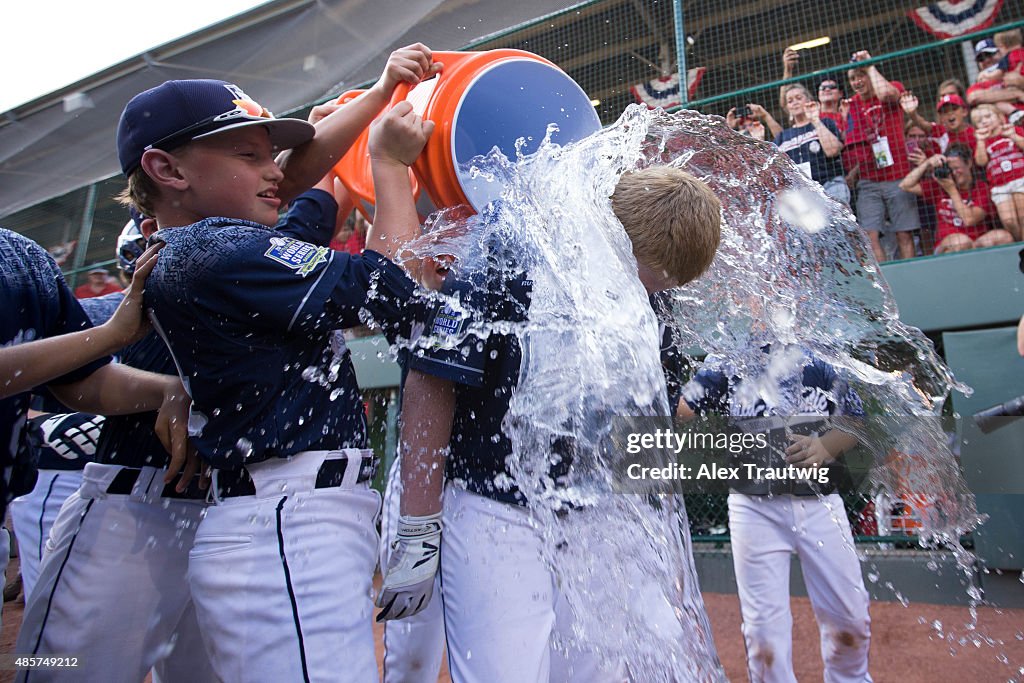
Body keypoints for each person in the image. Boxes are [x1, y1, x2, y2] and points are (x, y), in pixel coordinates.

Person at [127, 46, 438, 683]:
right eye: (249, 155)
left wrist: (376, 95)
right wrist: (384, 161)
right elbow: (400, 292)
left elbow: (312, 197)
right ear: (165, 169)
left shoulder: (219, 242)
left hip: (289, 515)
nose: (274, 171)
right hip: (284, 521)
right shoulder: (215, 248)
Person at [378, 166, 722, 682]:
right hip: (489, 502)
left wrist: (649, 536)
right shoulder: (512, 247)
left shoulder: (654, 293)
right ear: (616, 239)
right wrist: (419, 531)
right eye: (646, 278)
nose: (650, 293)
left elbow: (647, 421)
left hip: (592, 512)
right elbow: (431, 382)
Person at [678, 343, 873, 683]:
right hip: (754, 507)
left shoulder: (820, 356)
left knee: (851, 622)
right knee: (763, 638)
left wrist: (826, 446)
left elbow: (855, 421)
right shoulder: (729, 357)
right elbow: (682, 410)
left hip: (819, 502)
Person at [843, 50, 920, 261]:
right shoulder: (852, 105)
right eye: (852, 78)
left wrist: (869, 65)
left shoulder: (890, 86)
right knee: (870, 235)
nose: (857, 81)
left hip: (899, 174)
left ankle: (910, 274)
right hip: (869, 179)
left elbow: (887, 95)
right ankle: (888, 284)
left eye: (861, 75)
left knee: (904, 233)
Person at [899, 144, 1014, 253]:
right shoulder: (940, 185)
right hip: (948, 246)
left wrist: (952, 190)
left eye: (957, 168)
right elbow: (905, 185)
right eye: (950, 169)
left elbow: (969, 219)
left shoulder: (981, 188)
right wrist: (927, 163)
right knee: (961, 242)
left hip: (977, 244)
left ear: (968, 163)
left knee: (1004, 237)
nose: (954, 173)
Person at [774, 84, 848, 205]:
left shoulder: (825, 123)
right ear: (787, 108)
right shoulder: (781, 137)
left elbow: (833, 151)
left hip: (830, 185)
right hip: (800, 195)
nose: (795, 103)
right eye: (790, 101)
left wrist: (815, 120)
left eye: (799, 98)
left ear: (809, 101)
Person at [972, 103, 1024, 241]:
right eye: (979, 120)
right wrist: (981, 141)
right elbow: (981, 161)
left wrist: (1013, 135)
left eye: (988, 116)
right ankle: (1019, 244)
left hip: (1020, 179)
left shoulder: (1014, 131)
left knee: (1023, 216)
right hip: (999, 186)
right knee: (1009, 220)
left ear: (1000, 117)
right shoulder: (982, 141)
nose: (984, 121)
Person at [901, 92, 976, 155]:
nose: (950, 113)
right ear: (941, 117)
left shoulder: (975, 134)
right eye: (945, 111)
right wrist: (912, 113)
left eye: (954, 109)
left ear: (964, 111)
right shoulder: (940, 131)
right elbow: (924, 125)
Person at [967, 39, 1024, 121]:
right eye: (981, 59)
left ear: (1000, 52)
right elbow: (974, 97)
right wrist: (1018, 94)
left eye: (989, 54)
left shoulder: (1015, 72)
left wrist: (992, 97)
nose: (986, 60)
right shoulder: (978, 85)